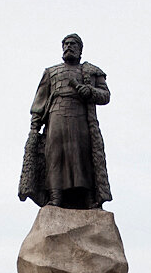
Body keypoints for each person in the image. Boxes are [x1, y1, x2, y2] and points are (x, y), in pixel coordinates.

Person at [19, 34, 112, 210]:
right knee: (55, 155)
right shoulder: (51, 72)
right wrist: (34, 127)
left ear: (80, 50)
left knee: (82, 156)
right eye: (66, 44)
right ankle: (55, 197)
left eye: (73, 44)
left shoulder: (92, 71)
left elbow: (105, 95)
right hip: (56, 116)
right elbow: (40, 101)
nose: (69, 47)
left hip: (81, 117)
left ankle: (88, 197)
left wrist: (89, 91)